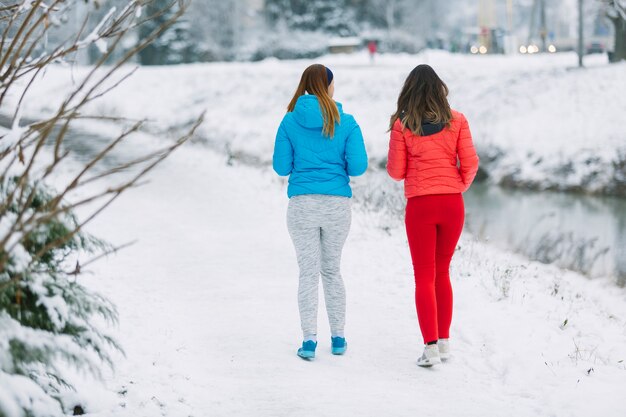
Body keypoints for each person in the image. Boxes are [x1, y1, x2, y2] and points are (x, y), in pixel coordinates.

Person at [273, 64, 368, 360]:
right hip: (337, 206)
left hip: (302, 205)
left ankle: (309, 341)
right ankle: (338, 337)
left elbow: (281, 167)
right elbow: (358, 167)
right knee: (332, 270)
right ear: (328, 87)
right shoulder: (348, 122)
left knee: (308, 272)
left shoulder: (289, 122)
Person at [386, 64, 479, 367]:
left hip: (421, 206)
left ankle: (430, 349)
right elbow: (471, 163)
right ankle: (445, 343)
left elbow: (396, 172)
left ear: (409, 91)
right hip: (452, 204)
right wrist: (457, 185)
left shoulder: (403, 125)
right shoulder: (458, 121)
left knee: (424, 276)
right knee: (442, 273)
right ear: (440, 90)